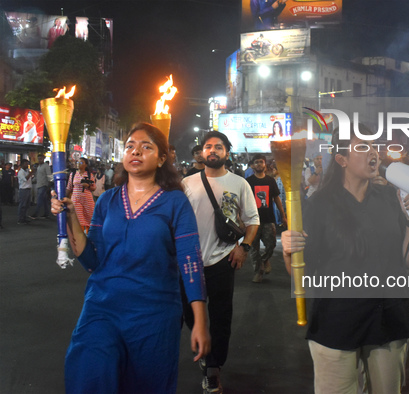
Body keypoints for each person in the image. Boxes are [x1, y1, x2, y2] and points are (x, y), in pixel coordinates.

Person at [51, 122, 210, 393]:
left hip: (154, 313)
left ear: (162, 159)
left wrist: (200, 321)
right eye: (130, 147)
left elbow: (190, 261)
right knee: (89, 369)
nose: (135, 152)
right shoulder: (107, 200)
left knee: (146, 384)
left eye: (146, 147)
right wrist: (70, 219)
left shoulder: (175, 202)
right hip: (103, 306)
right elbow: (93, 261)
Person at [281, 123, 409, 394]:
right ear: (341, 159)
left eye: (374, 146)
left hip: (388, 319)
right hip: (336, 321)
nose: (373, 153)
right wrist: (290, 252)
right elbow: (301, 274)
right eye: (362, 147)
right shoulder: (318, 205)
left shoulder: (391, 199)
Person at [182, 131, 259, 393]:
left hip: (223, 260)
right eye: (208, 147)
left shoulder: (239, 183)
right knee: (191, 313)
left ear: (227, 151)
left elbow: (253, 220)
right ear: (202, 152)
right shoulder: (187, 183)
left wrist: (244, 248)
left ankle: (214, 367)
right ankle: (206, 351)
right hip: (189, 263)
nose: (212, 150)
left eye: (218, 147)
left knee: (221, 316)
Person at [246, 154, 287, 283]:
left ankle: (264, 260)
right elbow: (244, 201)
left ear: (265, 165)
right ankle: (258, 272)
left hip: (269, 219)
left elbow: (276, 198)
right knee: (254, 248)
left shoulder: (270, 181)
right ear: (252, 165)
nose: (259, 164)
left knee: (271, 244)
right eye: (256, 162)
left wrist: (283, 215)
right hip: (253, 220)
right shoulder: (249, 182)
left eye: (261, 162)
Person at [66, 157, 96, 234]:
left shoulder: (89, 175)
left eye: (81, 163)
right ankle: (80, 237)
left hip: (87, 200)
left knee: (90, 217)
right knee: (78, 218)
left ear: (86, 165)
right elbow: (69, 187)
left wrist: (88, 186)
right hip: (76, 199)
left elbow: (94, 187)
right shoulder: (73, 174)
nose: (79, 164)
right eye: (78, 162)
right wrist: (64, 198)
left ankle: (89, 235)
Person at [30, 154, 52, 219]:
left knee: (39, 200)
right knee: (44, 200)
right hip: (39, 184)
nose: (40, 160)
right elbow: (37, 175)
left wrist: (49, 183)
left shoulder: (46, 166)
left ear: (43, 159)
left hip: (43, 185)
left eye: (41, 159)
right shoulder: (39, 166)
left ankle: (36, 213)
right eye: (39, 159)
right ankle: (46, 213)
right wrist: (33, 180)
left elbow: (49, 175)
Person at [17, 159, 34, 224]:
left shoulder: (26, 171)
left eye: (27, 163)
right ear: (22, 164)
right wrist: (31, 173)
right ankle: (20, 219)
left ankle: (24, 217)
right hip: (23, 189)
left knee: (27, 205)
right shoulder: (21, 172)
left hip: (28, 189)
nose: (27, 165)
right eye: (25, 164)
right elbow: (25, 179)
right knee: (22, 205)